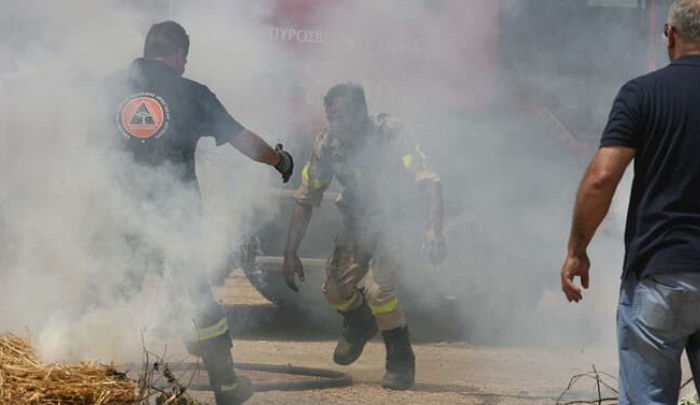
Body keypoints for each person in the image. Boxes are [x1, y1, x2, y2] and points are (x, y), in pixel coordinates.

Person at [104, 21, 293, 405]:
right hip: (176, 220)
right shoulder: (192, 94)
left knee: (113, 293)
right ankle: (226, 388)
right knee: (197, 298)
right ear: (177, 55)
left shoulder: (108, 89)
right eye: (184, 59)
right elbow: (245, 142)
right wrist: (280, 160)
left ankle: (91, 377)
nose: (185, 66)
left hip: (118, 214)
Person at [560, 1, 700, 403]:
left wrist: (577, 250)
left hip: (658, 274)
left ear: (671, 36)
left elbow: (602, 178)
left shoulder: (641, 93)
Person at [282, 83, 445, 390]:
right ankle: (359, 322)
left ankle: (400, 360)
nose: (336, 125)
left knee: (379, 292)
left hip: (397, 218)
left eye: (342, 116)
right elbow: (306, 196)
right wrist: (291, 252)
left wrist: (433, 229)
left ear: (361, 113)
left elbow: (429, 181)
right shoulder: (328, 142)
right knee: (333, 290)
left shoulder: (390, 133)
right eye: (331, 118)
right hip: (358, 221)